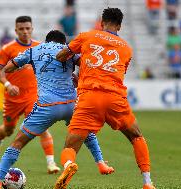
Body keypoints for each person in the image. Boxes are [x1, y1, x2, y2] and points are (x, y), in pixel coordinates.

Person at [0, 30, 114, 189]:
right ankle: (101, 163)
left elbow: (7, 68)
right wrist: (74, 77)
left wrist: (25, 68)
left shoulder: (33, 50)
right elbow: (87, 65)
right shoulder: (68, 50)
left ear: (46, 41)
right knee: (86, 131)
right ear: (63, 42)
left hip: (47, 105)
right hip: (71, 103)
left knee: (18, 142)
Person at [54, 8, 156, 189]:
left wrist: (79, 62)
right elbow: (116, 72)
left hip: (89, 97)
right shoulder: (126, 48)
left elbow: (61, 56)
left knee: (71, 144)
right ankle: (147, 183)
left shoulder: (86, 36)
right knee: (136, 136)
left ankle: (69, 165)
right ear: (120, 26)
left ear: (101, 22)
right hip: (115, 98)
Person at [0, 16, 60, 174]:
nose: (25, 32)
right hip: (12, 98)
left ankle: (51, 164)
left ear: (32, 29)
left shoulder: (39, 47)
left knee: (41, 127)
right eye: (21, 29)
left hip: (33, 96)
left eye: (28, 28)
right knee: (8, 130)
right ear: (16, 30)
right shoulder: (8, 49)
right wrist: (7, 84)